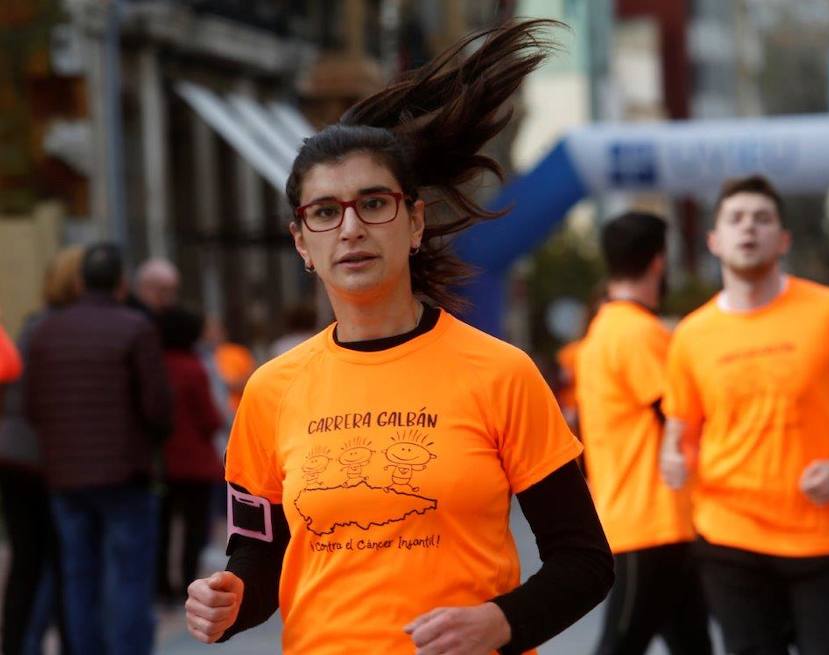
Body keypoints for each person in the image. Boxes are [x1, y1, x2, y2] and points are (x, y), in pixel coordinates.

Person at [185, 19, 614, 655]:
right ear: (303, 242)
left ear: (413, 222)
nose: (351, 228)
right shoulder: (271, 390)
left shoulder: (500, 373)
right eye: (325, 212)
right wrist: (226, 601)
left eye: (374, 204)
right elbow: (257, 561)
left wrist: (500, 622)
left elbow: (585, 563)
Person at [660, 175, 829, 655]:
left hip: (818, 539)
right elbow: (680, 427)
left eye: (763, 218)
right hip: (730, 539)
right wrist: (672, 458)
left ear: (783, 239)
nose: (749, 227)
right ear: (715, 240)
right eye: (736, 218)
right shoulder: (692, 334)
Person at [25, 243, 172, 655]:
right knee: (127, 577)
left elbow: (33, 407)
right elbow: (157, 408)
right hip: (126, 473)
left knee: (79, 576)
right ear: (123, 284)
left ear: (79, 281)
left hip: (65, 475)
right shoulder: (136, 328)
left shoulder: (44, 332)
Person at [576, 212, 711, 655]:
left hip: (645, 518)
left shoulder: (603, 328)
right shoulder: (639, 333)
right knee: (620, 645)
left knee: (692, 643)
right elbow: (681, 418)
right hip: (651, 521)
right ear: (659, 262)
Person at [0, 246, 83, 655]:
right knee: (50, 559)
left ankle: (19, 642)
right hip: (40, 458)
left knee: (29, 561)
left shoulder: (34, 326)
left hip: (18, 453)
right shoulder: (56, 329)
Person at [156, 307, 224, 603]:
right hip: (196, 460)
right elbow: (209, 417)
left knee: (163, 526)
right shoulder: (194, 367)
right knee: (195, 527)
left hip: (162, 461)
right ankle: (187, 579)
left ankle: (161, 583)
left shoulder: (155, 365)